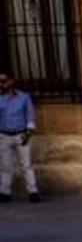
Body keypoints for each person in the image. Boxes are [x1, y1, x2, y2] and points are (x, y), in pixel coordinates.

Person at [0, 72, 39, 203]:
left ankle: (33, 191)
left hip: (22, 134)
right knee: (5, 165)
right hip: (4, 135)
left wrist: (28, 133)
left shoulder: (24, 98)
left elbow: (30, 115)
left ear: (11, 81)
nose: (2, 84)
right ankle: (5, 192)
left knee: (26, 164)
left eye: (4, 81)